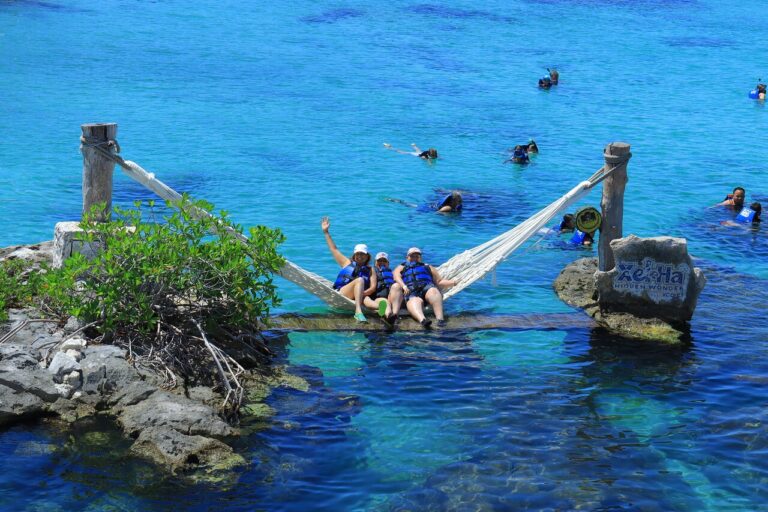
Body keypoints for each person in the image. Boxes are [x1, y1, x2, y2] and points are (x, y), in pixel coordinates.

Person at [321, 216, 376, 323]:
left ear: (367, 256)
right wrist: (326, 232)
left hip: (359, 296)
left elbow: (373, 287)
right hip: (342, 293)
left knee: (368, 300)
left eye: (362, 254)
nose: (360, 256)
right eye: (358, 254)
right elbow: (334, 249)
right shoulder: (346, 263)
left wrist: (361, 293)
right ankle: (358, 312)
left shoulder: (370, 269)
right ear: (354, 255)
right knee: (359, 280)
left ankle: (382, 309)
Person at [392, 247, 455, 328]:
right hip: (410, 290)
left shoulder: (427, 266)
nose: (414, 258)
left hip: (427, 287)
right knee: (415, 300)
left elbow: (439, 281)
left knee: (434, 291)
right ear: (407, 257)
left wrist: (454, 282)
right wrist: (404, 286)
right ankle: (423, 320)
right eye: (412, 256)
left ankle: (440, 319)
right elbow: (396, 276)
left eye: (417, 256)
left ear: (420, 258)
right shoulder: (401, 266)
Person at [365, 252, 402, 325]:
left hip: (392, 298)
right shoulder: (371, 271)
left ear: (388, 263)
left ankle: (395, 314)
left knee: (397, 286)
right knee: (384, 302)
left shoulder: (392, 273)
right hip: (378, 298)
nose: (382, 262)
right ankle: (389, 316)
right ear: (375, 262)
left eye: (384, 261)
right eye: (379, 261)